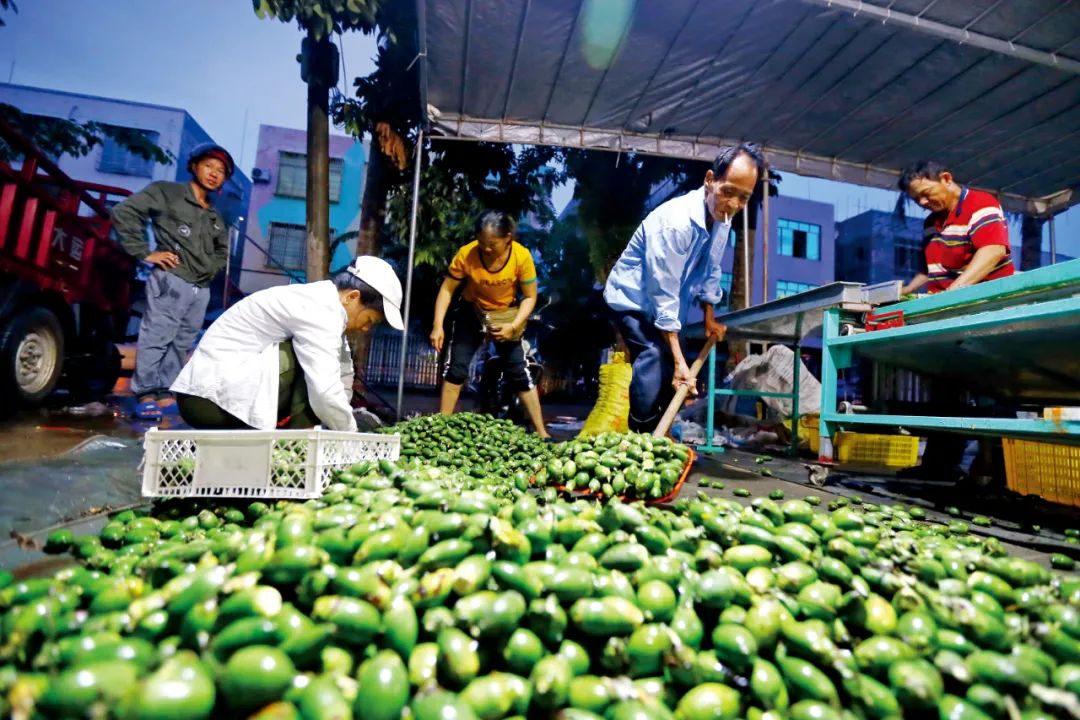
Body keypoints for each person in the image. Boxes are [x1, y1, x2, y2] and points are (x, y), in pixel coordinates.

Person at [604, 143, 764, 433]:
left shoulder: (723, 219)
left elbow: (711, 270)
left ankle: (661, 431)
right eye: (728, 191)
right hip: (631, 298)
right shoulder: (675, 224)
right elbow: (663, 293)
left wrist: (709, 318)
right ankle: (640, 435)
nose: (733, 204)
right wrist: (680, 362)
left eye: (744, 198)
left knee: (673, 363)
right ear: (709, 180)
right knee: (654, 355)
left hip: (663, 303)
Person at [171, 256, 404, 431]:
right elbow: (325, 390)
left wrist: (345, 421)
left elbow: (342, 375)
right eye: (369, 320)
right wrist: (350, 434)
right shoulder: (319, 310)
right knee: (309, 367)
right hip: (206, 401)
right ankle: (297, 449)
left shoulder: (326, 307)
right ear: (353, 297)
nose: (365, 329)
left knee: (319, 366)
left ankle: (299, 445)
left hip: (214, 398)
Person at [111, 143, 236, 421]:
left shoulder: (214, 214)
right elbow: (125, 212)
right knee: (157, 336)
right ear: (194, 166)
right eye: (208, 166)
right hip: (171, 279)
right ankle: (144, 393)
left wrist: (209, 270)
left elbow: (222, 250)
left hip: (199, 288)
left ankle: (166, 391)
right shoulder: (167, 193)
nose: (214, 174)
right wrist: (145, 252)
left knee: (182, 342)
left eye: (220, 171)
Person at [430, 211, 550, 438]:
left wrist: (513, 326)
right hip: (471, 312)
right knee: (456, 369)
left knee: (519, 372)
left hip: (505, 316)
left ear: (508, 238)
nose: (486, 249)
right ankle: (440, 427)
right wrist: (438, 325)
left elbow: (530, 297)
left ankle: (542, 432)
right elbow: (447, 289)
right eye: (481, 242)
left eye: (492, 244)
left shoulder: (521, 257)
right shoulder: (467, 254)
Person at [898, 160, 1014, 295]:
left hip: (988, 300)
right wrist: (907, 290)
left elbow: (993, 250)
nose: (922, 202)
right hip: (946, 305)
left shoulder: (980, 203)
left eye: (926, 193)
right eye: (916, 199)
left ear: (946, 179)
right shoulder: (930, 223)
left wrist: (952, 292)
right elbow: (930, 270)